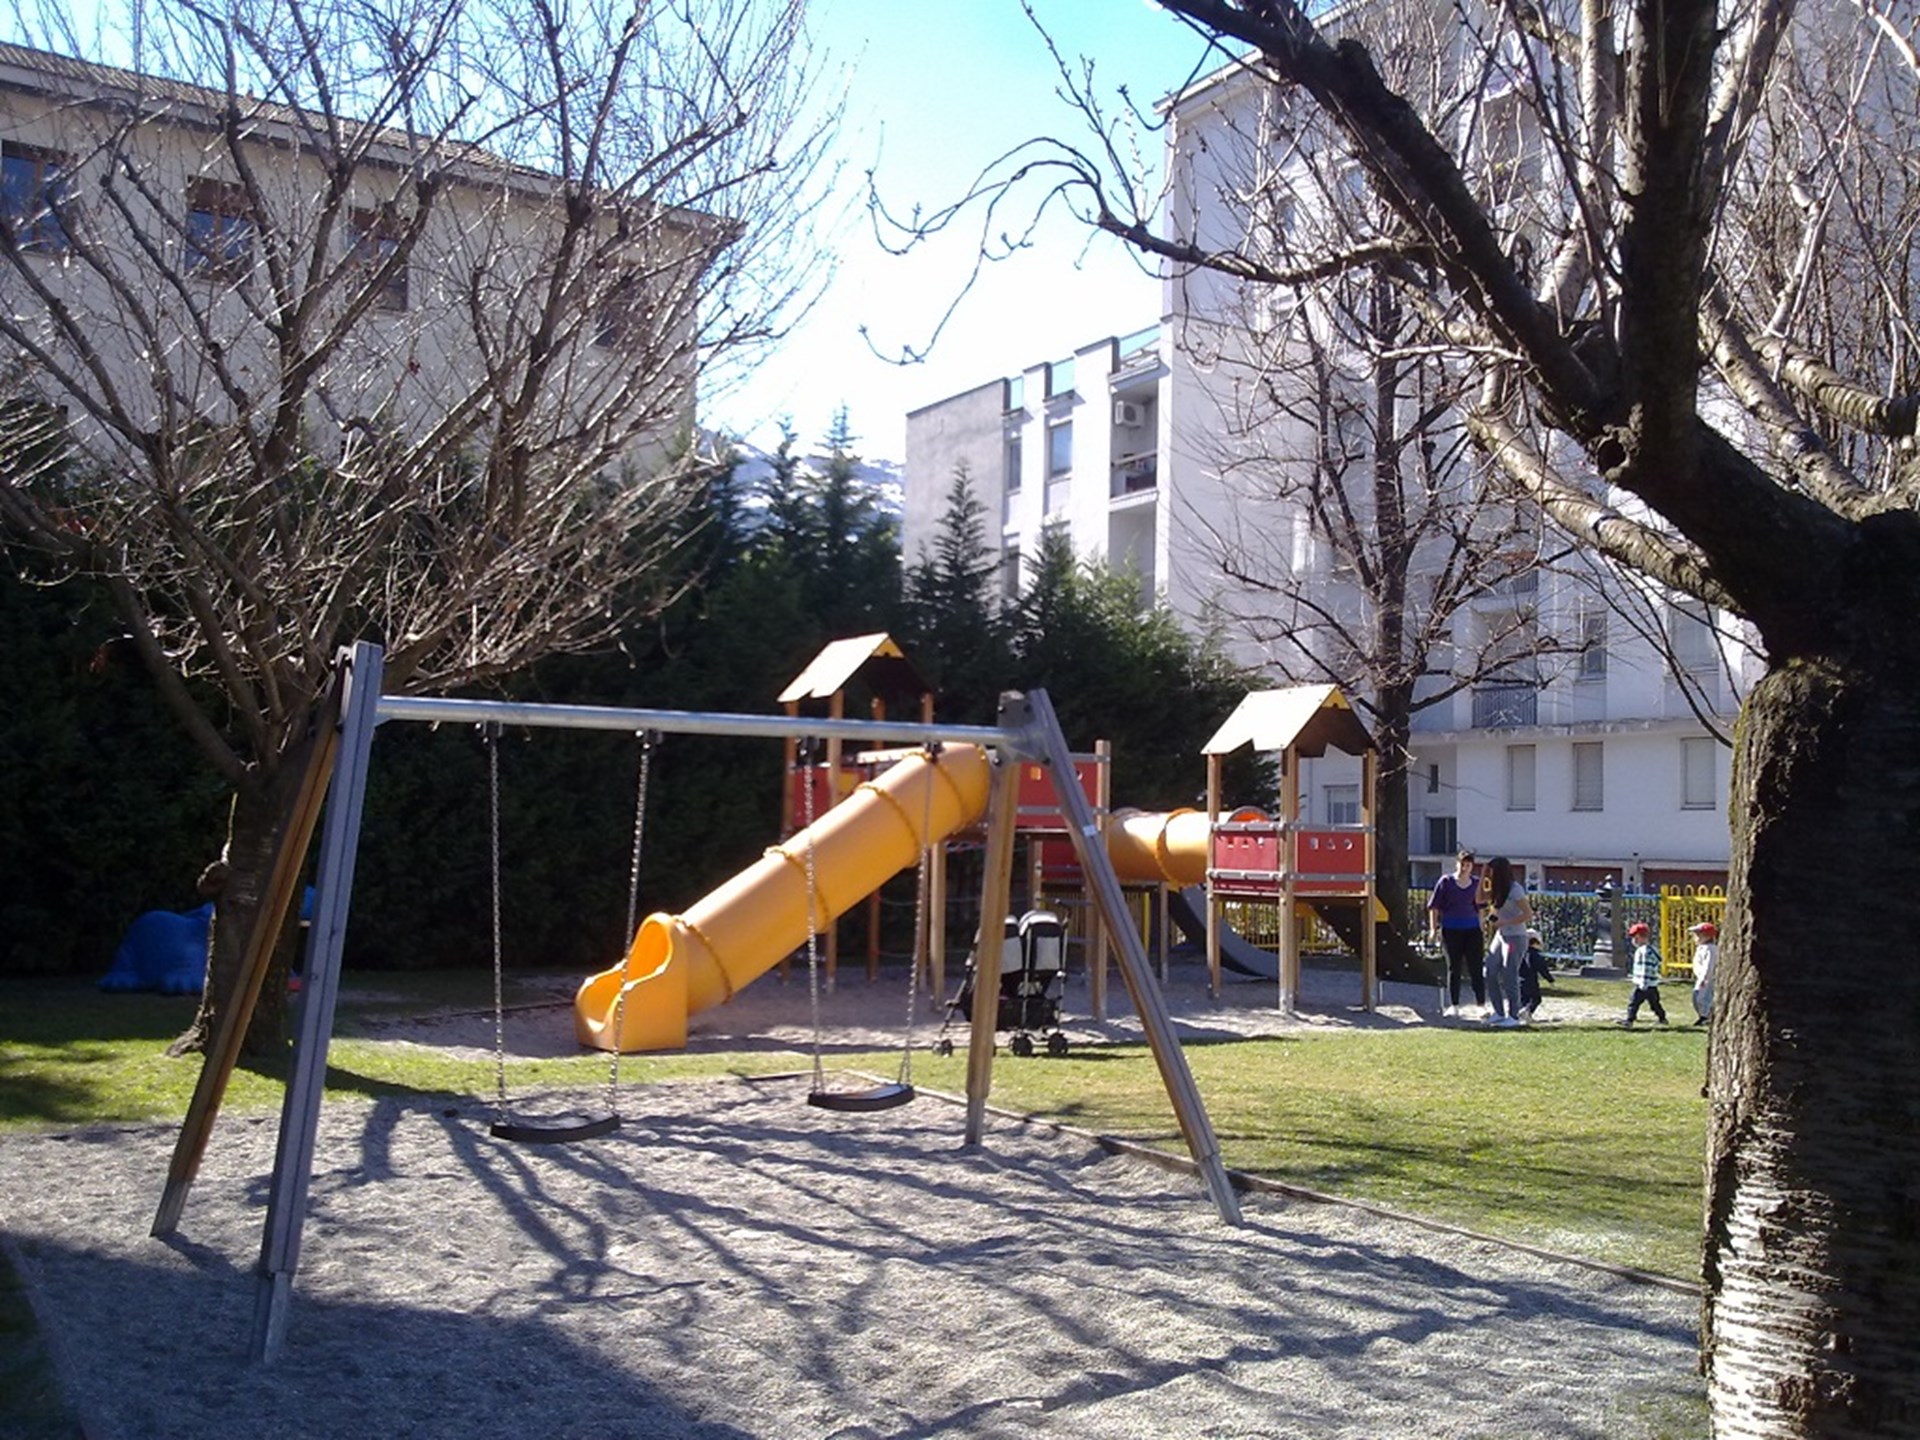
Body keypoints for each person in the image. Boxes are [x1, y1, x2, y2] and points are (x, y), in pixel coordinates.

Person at [1427, 849, 1487, 1016]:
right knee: (1454, 967)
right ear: (1457, 864)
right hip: (1451, 930)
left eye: (1468, 865)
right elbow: (1434, 907)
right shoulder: (1446, 882)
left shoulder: (1476, 884)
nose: (1464, 868)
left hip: (1472, 930)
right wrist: (1433, 928)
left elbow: (1481, 908)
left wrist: (1481, 925)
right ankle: (1454, 1004)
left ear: (1472, 866)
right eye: (1462, 864)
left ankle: (1481, 1004)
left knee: (1476, 967)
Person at [1482, 855, 1531, 1028]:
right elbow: (1484, 902)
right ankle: (1499, 1012)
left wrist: (1506, 922)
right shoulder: (1496, 889)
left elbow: (1527, 914)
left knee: (1509, 974)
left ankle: (1514, 1015)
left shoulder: (1515, 889)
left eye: (1491, 871)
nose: (1489, 875)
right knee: (1490, 970)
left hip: (1515, 936)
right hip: (1501, 935)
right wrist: (1492, 918)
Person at [1618, 920, 1669, 1026]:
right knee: (1654, 1003)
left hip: (1644, 983)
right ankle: (1662, 1018)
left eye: (1634, 937)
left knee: (1634, 1002)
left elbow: (1645, 967)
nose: (1633, 940)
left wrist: (1643, 982)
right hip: (1652, 984)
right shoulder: (1651, 949)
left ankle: (1629, 1020)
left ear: (1638, 937)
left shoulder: (1643, 951)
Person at [1518, 926, 1552, 1021]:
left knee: (1523, 999)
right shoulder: (1535, 955)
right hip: (1531, 980)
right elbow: (1542, 968)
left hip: (1520, 979)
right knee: (1536, 999)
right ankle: (1527, 1011)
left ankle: (1522, 1013)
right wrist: (1549, 979)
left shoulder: (1520, 953)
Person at [1688, 920, 1718, 1026]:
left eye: (1698, 934)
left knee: (1703, 997)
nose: (1695, 937)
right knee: (1696, 997)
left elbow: (1709, 965)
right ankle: (1703, 1016)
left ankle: (1706, 1016)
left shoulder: (1710, 949)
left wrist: (1705, 978)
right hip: (1701, 977)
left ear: (1707, 936)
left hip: (1707, 979)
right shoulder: (1702, 948)